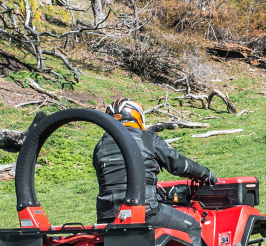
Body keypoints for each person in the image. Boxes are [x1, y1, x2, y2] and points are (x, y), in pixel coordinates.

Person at [93, 98, 217, 236]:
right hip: (145, 211)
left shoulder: (100, 145)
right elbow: (178, 164)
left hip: (107, 216)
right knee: (192, 226)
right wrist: (205, 173)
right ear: (137, 117)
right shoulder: (147, 138)